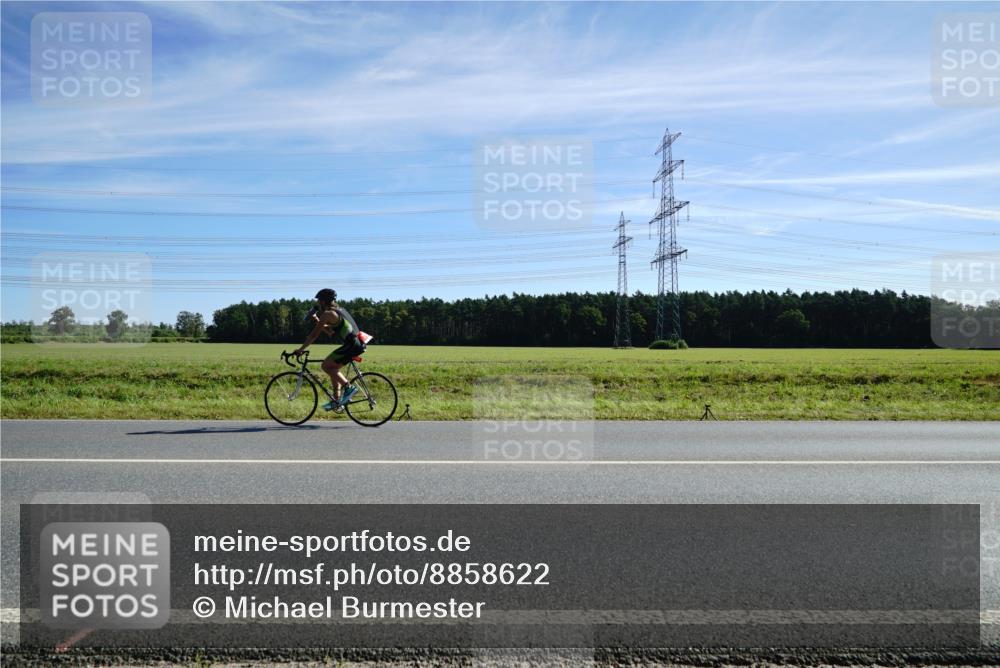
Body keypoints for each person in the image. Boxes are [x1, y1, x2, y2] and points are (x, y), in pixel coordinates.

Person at [293, 288, 365, 411]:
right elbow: (330, 332)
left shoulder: (328, 314)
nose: (318, 303)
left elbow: (313, 335)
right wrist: (317, 319)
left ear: (324, 301)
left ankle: (349, 387)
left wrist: (301, 349)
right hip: (355, 343)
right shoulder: (338, 311)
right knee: (333, 368)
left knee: (326, 366)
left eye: (319, 301)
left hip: (352, 345)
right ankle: (336, 401)